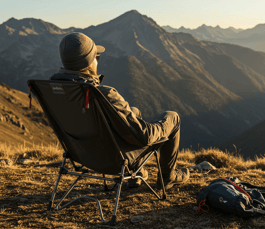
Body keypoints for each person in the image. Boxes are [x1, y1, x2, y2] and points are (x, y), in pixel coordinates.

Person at [50, 32, 189, 189]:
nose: (97, 61)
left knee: (134, 111)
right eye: (96, 57)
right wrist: (162, 127)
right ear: (89, 62)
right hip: (115, 160)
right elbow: (144, 136)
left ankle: (136, 175)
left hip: (82, 155)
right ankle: (167, 177)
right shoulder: (104, 94)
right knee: (172, 117)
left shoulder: (53, 91)